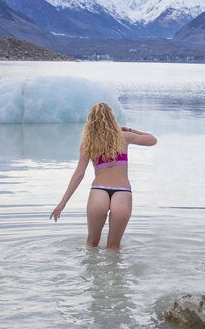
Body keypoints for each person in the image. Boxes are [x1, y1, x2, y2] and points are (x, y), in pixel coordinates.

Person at [50, 102, 157, 250]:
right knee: (114, 246)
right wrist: (128, 129)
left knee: (91, 244)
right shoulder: (124, 137)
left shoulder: (88, 143)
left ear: (91, 122)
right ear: (111, 119)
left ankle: (90, 273)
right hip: (122, 192)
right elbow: (152, 140)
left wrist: (62, 204)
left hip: (99, 191)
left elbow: (79, 174)